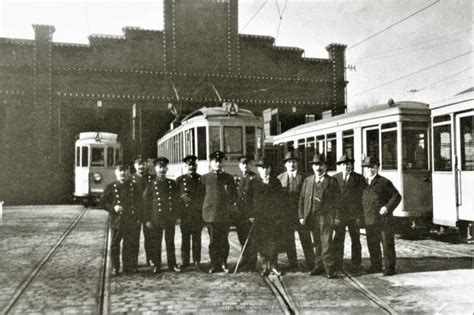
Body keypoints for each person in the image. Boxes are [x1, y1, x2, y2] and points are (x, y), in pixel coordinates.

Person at [298, 154, 340, 279]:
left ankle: (329, 269)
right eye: (316, 165)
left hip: (326, 217)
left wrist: (337, 217)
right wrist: (301, 216)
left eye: (321, 165)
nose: (318, 168)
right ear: (312, 167)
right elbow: (302, 200)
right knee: (316, 243)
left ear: (325, 167)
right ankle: (318, 266)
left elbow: (338, 202)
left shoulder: (332, 182)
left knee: (326, 243)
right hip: (311, 216)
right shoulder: (308, 181)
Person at [361, 156, 401, 276]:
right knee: (372, 244)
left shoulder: (384, 182)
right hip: (369, 220)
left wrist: (387, 207)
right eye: (367, 167)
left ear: (377, 168)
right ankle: (376, 266)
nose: (370, 170)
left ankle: (389, 268)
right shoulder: (363, 183)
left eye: (372, 167)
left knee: (387, 244)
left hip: (383, 220)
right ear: (365, 169)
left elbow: (397, 196)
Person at [100, 164, 142, 276]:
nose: (123, 173)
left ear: (128, 172)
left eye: (125, 171)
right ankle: (115, 267)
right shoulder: (110, 187)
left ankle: (128, 266)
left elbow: (139, 203)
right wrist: (113, 208)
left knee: (129, 244)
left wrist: (138, 217)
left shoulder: (133, 187)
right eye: (120, 171)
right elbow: (103, 202)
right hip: (117, 221)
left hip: (130, 220)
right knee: (114, 245)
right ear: (116, 172)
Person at [277, 152, 315, 271]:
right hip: (286, 216)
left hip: (301, 215)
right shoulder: (280, 178)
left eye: (294, 162)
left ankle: (311, 263)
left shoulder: (305, 178)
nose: (291, 164)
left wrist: (304, 214)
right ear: (285, 164)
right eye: (289, 162)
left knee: (306, 239)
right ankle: (293, 264)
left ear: (297, 163)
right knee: (289, 240)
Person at [143, 157, 181, 274]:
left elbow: (176, 201)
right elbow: (146, 203)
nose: (162, 169)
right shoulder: (151, 184)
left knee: (170, 242)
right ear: (155, 169)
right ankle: (157, 265)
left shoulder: (172, 183)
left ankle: (172, 264)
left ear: (167, 168)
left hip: (169, 217)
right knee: (156, 242)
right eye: (160, 167)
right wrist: (147, 219)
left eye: (164, 167)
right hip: (156, 218)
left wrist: (178, 216)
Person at [201, 150, 238, 273]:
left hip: (224, 214)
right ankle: (214, 263)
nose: (218, 163)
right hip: (210, 215)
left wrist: (230, 209)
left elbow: (234, 196)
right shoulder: (205, 178)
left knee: (224, 240)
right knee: (213, 241)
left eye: (220, 161)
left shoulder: (228, 178)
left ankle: (223, 262)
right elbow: (201, 197)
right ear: (210, 163)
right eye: (215, 161)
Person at [332, 154, 367, 273]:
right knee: (338, 240)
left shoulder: (359, 178)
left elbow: (363, 198)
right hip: (340, 216)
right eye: (343, 164)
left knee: (356, 240)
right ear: (340, 166)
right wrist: (335, 216)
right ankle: (337, 264)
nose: (346, 166)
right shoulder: (335, 178)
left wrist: (360, 216)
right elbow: (332, 199)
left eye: (348, 164)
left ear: (351, 165)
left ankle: (356, 264)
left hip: (354, 215)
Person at [253, 158, 285, 276]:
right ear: (258, 169)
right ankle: (264, 265)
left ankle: (273, 265)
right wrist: (251, 215)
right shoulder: (254, 182)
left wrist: (279, 216)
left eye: (266, 168)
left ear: (270, 169)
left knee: (273, 242)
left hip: (273, 218)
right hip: (260, 218)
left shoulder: (276, 182)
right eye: (262, 168)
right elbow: (249, 201)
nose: (264, 170)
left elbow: (281, 200)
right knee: (261, 242)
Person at [176, 155, 204, 271]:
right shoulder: (179, 180)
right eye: (189, 165)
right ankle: (185, 261)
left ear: (196, 166)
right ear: (185, 166)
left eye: (193, 165)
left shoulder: (201, 179)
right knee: (185, 239)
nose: (191, 167)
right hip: (185, 215)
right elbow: (175, 198)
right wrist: (181, 197)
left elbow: (203, 196)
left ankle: (197, 261)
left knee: (197, 239)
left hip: (197, 214)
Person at [130, 155, 155, 267]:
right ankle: (134, 260)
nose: (141, 166)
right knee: (134, 238)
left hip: (148, 213)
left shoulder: (152, 178)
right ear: (135, 166)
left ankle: (150, 259)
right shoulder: (130, 179)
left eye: (143, 164)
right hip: (135, 213)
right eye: (139, 164)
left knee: (149, 238)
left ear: (147, 165)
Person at [233, 155, 258, 271]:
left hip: (250, 214)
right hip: (239, 213)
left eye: (247, 164)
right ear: (240, 166)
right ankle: (244, 258)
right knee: (242, 237)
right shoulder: (237, 178)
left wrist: (253, 214)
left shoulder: (254, 178)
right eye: (243, 164)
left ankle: (251, 262)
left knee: (251, 238)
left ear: (250, 165)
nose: (245, 166)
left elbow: (255, 198)